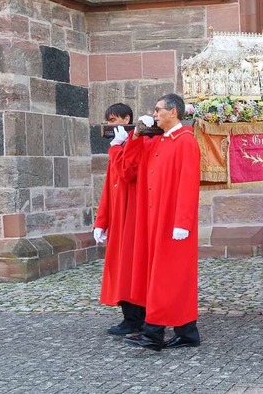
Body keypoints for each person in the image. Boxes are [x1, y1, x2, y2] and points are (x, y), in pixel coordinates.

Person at [121, 93, 201, 351]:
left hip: (173, 221)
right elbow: (130, 168)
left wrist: (183, 222)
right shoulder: (159, 140)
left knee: (168, 278)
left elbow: (188, 184)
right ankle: (187, 332)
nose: (154, 114)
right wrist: (135, 136)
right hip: (154, 220)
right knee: (165, 276)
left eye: (158, 110)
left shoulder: (186, 141)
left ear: (173, 112)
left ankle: (153, 333)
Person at [93, 103, 146, 336]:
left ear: (126, 120)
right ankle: (129, 316)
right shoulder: (118, 146)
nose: (111, 125)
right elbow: (109, 186)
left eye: (114, 120)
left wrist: (116, 149)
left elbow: (127, 172)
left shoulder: (136, 142)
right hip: (119, 216)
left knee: (131, 268)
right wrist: (101, 221)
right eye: (109, 121)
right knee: (120, 269)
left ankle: (138, 317)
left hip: (133, 215)